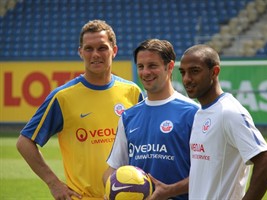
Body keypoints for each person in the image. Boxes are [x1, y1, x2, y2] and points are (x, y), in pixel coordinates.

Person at [16, 19, 144, 200]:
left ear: (114, 51)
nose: (95, 54)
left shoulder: (133, 92)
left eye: (102, 48)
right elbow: (24, 143)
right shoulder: (63, 97)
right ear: (80, 52)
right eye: (89, 48)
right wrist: (54, 183)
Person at [102, 39, 200, 200]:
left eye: (152, 66)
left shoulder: (192, 113)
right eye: (141, 66)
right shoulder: (128, 117)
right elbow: (112, 169)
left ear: (169, 67)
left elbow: (208, 173)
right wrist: (111, 190)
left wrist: (169, 191)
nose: (145, 72)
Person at [179, 44, 267, 200]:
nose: (186, 79)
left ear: (214, 72)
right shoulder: (200, 112)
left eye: (194, 71)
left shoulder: (229, 112)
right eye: (183, 72)